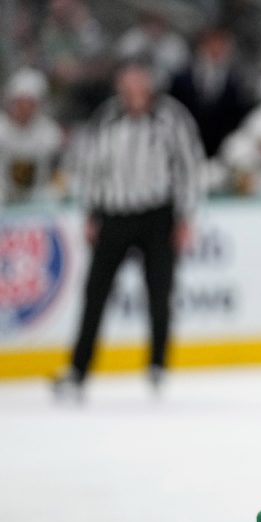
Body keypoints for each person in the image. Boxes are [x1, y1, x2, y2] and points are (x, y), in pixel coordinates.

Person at [53, 60, 205, 401]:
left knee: (159, 293)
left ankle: (157, 365)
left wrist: (185, 217)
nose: (134, 90)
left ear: (150, 85)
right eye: (128, 84)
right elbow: (91, 167)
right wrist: (91, 212)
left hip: (157, 216)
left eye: (139, 83)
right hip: (113, 215)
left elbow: (190, 166)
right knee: (95, 294)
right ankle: (78, 369)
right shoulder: (106, 117)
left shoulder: (171, 117)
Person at [0, 68, 64, 206]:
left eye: (29, 103)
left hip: (39, 199)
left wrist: (55, 190)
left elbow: (58, 171)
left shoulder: (50, 132)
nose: (23, 108)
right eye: (19, 102)